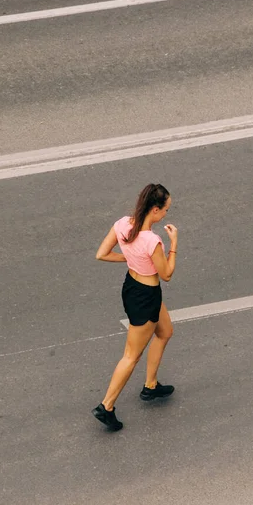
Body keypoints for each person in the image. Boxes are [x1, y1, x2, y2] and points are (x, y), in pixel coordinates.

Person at [92, 184, 178, 431]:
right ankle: (106, 406)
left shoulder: (123, 224)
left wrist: (129, 257)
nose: (166, 215)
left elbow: (102, 254)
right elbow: (167, 274)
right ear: (154, 209)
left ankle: (150, 386)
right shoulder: (152, 240)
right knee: (131, 355)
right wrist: (174, 243)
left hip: (132, 287)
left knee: (165, 332)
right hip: (147, 296)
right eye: (165, 210)